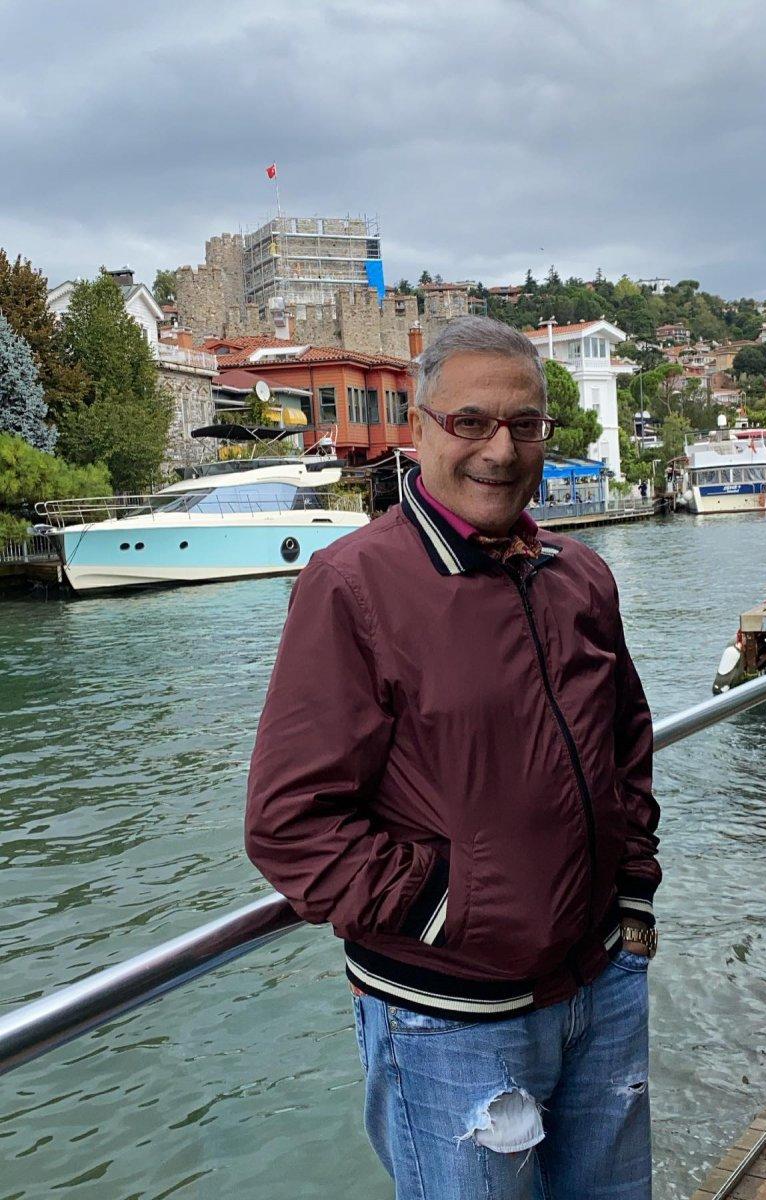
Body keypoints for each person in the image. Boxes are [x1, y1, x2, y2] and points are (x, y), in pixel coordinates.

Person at [245, 316, 661, 1199]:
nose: (500, 450)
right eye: (470, 423)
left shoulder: (578, 575)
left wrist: (631, 895)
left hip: (601, 978)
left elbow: (626, 741)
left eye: (524, 425)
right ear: (421, 428)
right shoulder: (353, 586)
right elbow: (291, 825)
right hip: (449, 1016)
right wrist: (448, 909)